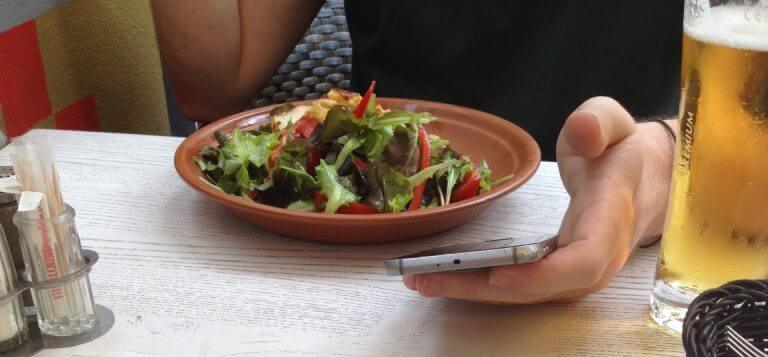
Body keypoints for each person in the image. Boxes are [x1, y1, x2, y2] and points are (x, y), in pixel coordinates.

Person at [151, 1, 681, 305]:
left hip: (638, 269)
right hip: (338, 270)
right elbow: (215, 80)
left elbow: (750, 94)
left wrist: (665, 158)